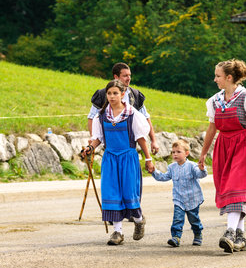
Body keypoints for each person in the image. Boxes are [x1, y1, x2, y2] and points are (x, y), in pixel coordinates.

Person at [198, 59, 246, 253]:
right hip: (223, 147)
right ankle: (240, 236)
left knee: (238, 188)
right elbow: (212, 128)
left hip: (244, 146)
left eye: (218, 76)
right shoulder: (215, 100)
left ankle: (229, 231)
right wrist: (203, 154)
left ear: (229, 78)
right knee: (228, 190)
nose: (215, 79)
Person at [82, 79, 154, 245]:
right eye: (109, 93)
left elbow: (141, 139)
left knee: (129, 193)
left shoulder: (132, 114)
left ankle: (138, 220)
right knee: (112, 193)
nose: (112, 96)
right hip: (110, 158)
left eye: (115, 93)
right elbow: (98, 138)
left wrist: (148, 159)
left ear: (122, 94)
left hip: (128, 158)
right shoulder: (101, 116)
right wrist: (90, 148)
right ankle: (117, 232)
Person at [87, 62, 159, 155]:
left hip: (129, 148)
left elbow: (146, 118)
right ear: (116, 77)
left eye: (129, 75)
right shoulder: (102, 94)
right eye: (125, 75)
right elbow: (92, 118)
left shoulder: (135, 95)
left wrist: (153, 141)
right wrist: (93, 140)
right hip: (110, 147)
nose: (128, 78)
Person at [150, 140, 207, 247]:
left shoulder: (192, 166)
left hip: (193, 198)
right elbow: (164, 177)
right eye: (173, 152)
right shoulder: (172, 167)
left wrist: (202, 169)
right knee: (177, 219)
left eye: (178, 152)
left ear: (186, 153)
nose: (175, 154)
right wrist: (154, 171)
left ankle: (198, 234)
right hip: (179, 199)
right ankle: (176, 237)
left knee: (194, 219)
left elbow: (200, 175)